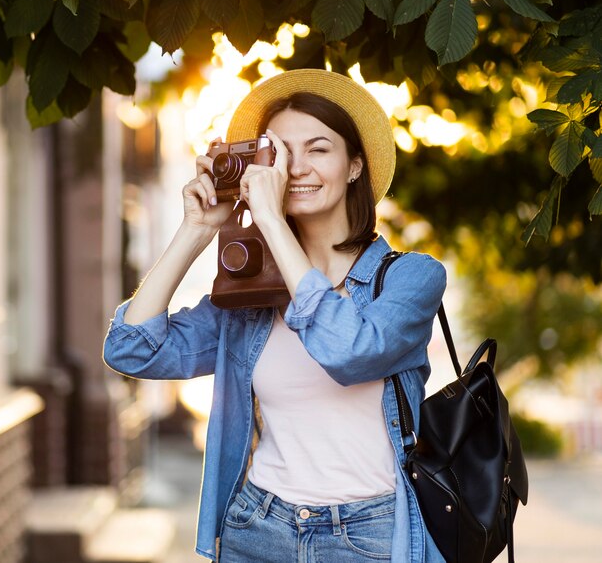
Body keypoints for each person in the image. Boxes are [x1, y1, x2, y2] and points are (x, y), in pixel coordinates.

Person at [103, 69, 447, 563]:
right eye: (281, 153)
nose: (297, 169)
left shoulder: (409, 278)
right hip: (257, 528)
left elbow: (350, 352)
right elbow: (132, 350)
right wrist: (196, 231)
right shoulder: (251, 298)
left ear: (354, 166)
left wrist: (268, 220)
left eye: (318, 149)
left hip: (368, 535)